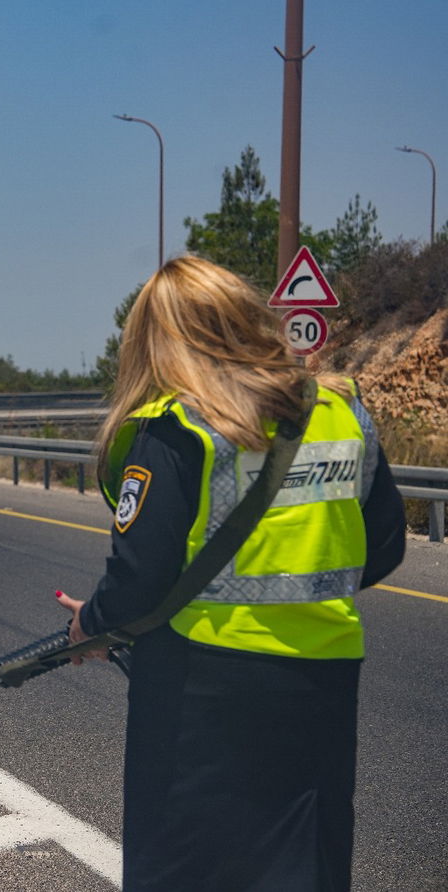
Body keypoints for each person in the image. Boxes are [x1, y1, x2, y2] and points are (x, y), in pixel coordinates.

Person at [55, 257, 405, 892]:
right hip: (325, 676)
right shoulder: (340, 410)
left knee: (186, 866)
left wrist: (92, 623)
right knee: (307, 862)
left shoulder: (179, 425)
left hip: (202, 687)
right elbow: (382, 547)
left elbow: (141, 579)